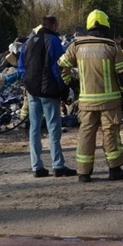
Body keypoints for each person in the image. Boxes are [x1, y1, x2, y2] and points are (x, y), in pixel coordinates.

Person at [58, 10, 123, 183]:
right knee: (111, 134)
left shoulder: (76, 46)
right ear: (106, 26)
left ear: (89, 26)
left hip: (86, 102)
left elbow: (61, 65)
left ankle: (84, 173)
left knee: (86, 134)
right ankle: (114, 170)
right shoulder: (113, 47)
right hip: (110, 102)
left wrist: (72, 84)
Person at [18, 16, 76, 178]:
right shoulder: (54, 41)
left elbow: (21, 66)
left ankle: (37, 167)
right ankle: (58, 165)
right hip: (49, 90)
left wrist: (27, 83)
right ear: (53, 25)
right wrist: (63, 88)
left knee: (34, 128)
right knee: (53, 128)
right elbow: (57, 66)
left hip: (32, 90)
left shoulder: (28, 41)